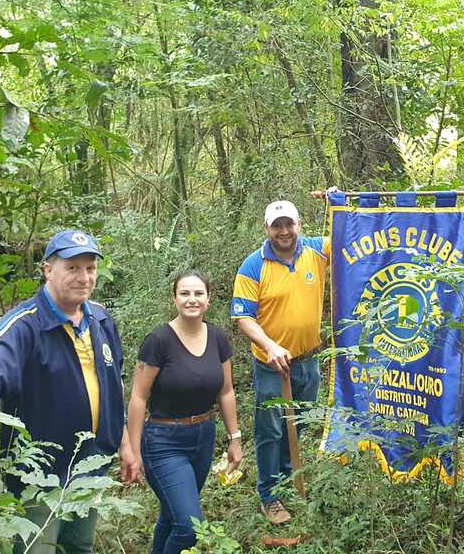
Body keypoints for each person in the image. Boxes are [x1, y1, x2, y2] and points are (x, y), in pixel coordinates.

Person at [0, 230, 139, 554]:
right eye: (72, 268)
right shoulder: (26, 325)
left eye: (90, 268)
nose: (83, 277)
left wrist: (125, 443)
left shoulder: (100, 319)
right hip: (39, 473)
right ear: (48, 270)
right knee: (37, 548)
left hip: (92, 462)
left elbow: (115, 385)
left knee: (79, 545)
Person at [127, 271, 243, 554]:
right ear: (174, 298)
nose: (192, 299)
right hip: (163, 441)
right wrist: (133, 450)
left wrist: (235, 438)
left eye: (198, 293)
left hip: (203, 437)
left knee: (172, 516)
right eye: (185, 293)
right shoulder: (158, 341)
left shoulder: (218, 337)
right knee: (189, 526)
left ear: (208, 299)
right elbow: (138, 397)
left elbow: (226, 391)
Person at [231, 199, 330, 524]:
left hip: (308, 361)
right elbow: (244, 317)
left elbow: (352, 237)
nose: (284, 231)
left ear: (299, 224)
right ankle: (269, 495)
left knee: (299, 424)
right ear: (267, 229)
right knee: (271, 430)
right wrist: (270, 346)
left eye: (289, 224)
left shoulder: (317, 250)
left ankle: (290, 479)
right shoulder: (252, 265)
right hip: (272, 366)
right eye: (277, 225)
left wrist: (341, 202)